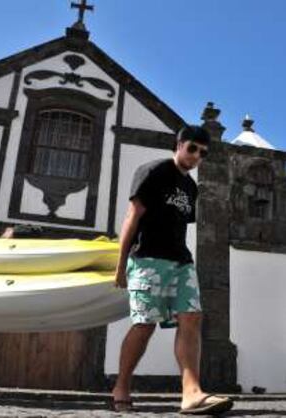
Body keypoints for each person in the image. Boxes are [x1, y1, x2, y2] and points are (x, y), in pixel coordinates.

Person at [111, 126, 233, 415]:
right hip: (147, 260)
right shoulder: (151, 171)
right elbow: (132, 217)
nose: (196, 156)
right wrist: (121, 266)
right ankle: (121, 387)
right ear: (178, 145)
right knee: (144, 325)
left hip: (181, 261)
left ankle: (191, 393)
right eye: (192, 148)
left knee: (191, 319)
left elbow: (177, 226)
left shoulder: (191, 188)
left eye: (202, 153)